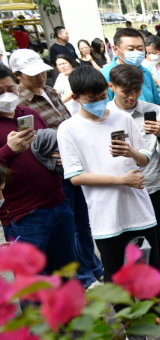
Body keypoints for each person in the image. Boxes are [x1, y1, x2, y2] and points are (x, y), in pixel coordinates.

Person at [58, 66, 160, 340]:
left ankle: (155, 316)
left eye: (102, 95)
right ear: (77, 98)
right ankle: (131, 326)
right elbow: (76, 177)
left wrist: (131, 152)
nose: (99, 102)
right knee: (116, 276)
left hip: (139, 209)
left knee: (150, 266)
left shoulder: (122, 117)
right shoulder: (68, 129)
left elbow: (144, 160)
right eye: (91, 99)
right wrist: (120, 180)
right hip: (106, 216)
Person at [11, 49, 104, 289]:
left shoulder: (52, 91)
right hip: (54, 173)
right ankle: (83, 276)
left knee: (83, 223)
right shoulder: (18, 103)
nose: (40, 76)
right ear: (17, 75)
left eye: (42, 71)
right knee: (70, 226)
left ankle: (93, 267)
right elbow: (28, 145)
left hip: (74, 165)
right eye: (33, 74)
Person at [0, 65, 76, 276]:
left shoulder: (29, 113)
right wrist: (8, 151)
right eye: (0, 92)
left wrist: (59, 158)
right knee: (33, 282)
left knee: (66, 272)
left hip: (58, 204)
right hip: (23, 215)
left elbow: (47, 149)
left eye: (11, 89)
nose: (7, 95)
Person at [107, 64, 160, 293]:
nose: (132, 96)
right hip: (122, 186)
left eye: (136, 90)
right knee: (128, 235)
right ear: (112, 87)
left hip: (153, 182)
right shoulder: (105, 115)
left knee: (158, 233)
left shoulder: (153, 110)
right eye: (126, 91)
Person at [101, 28, 160, 106]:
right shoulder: (105, 75)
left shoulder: (146, 72)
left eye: (140, 49)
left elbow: (157, 102)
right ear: (116, 49)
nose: (136, 52)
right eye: (130, 49)